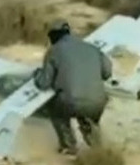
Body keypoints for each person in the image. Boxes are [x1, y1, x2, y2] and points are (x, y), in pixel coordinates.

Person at [33, 20, 112, 155]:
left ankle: (69, 146)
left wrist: (37, 74)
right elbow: (107, 73)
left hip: (72, 102)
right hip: (98, 102)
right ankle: (97, 149)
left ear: (53, 36)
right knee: (88, 116)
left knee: (56, 109)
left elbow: (44, 83)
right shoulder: (92, 47)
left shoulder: (54, 51)